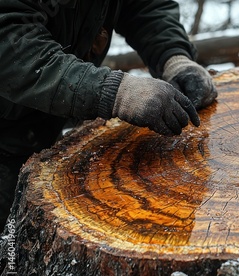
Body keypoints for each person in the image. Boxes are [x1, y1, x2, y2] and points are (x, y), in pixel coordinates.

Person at [0, 0, 218, 228]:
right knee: (11, 247)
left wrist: (174, 56)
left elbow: (143, 6)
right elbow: (9, 45)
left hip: (39, 126)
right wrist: (112, 91)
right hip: (5, 136)